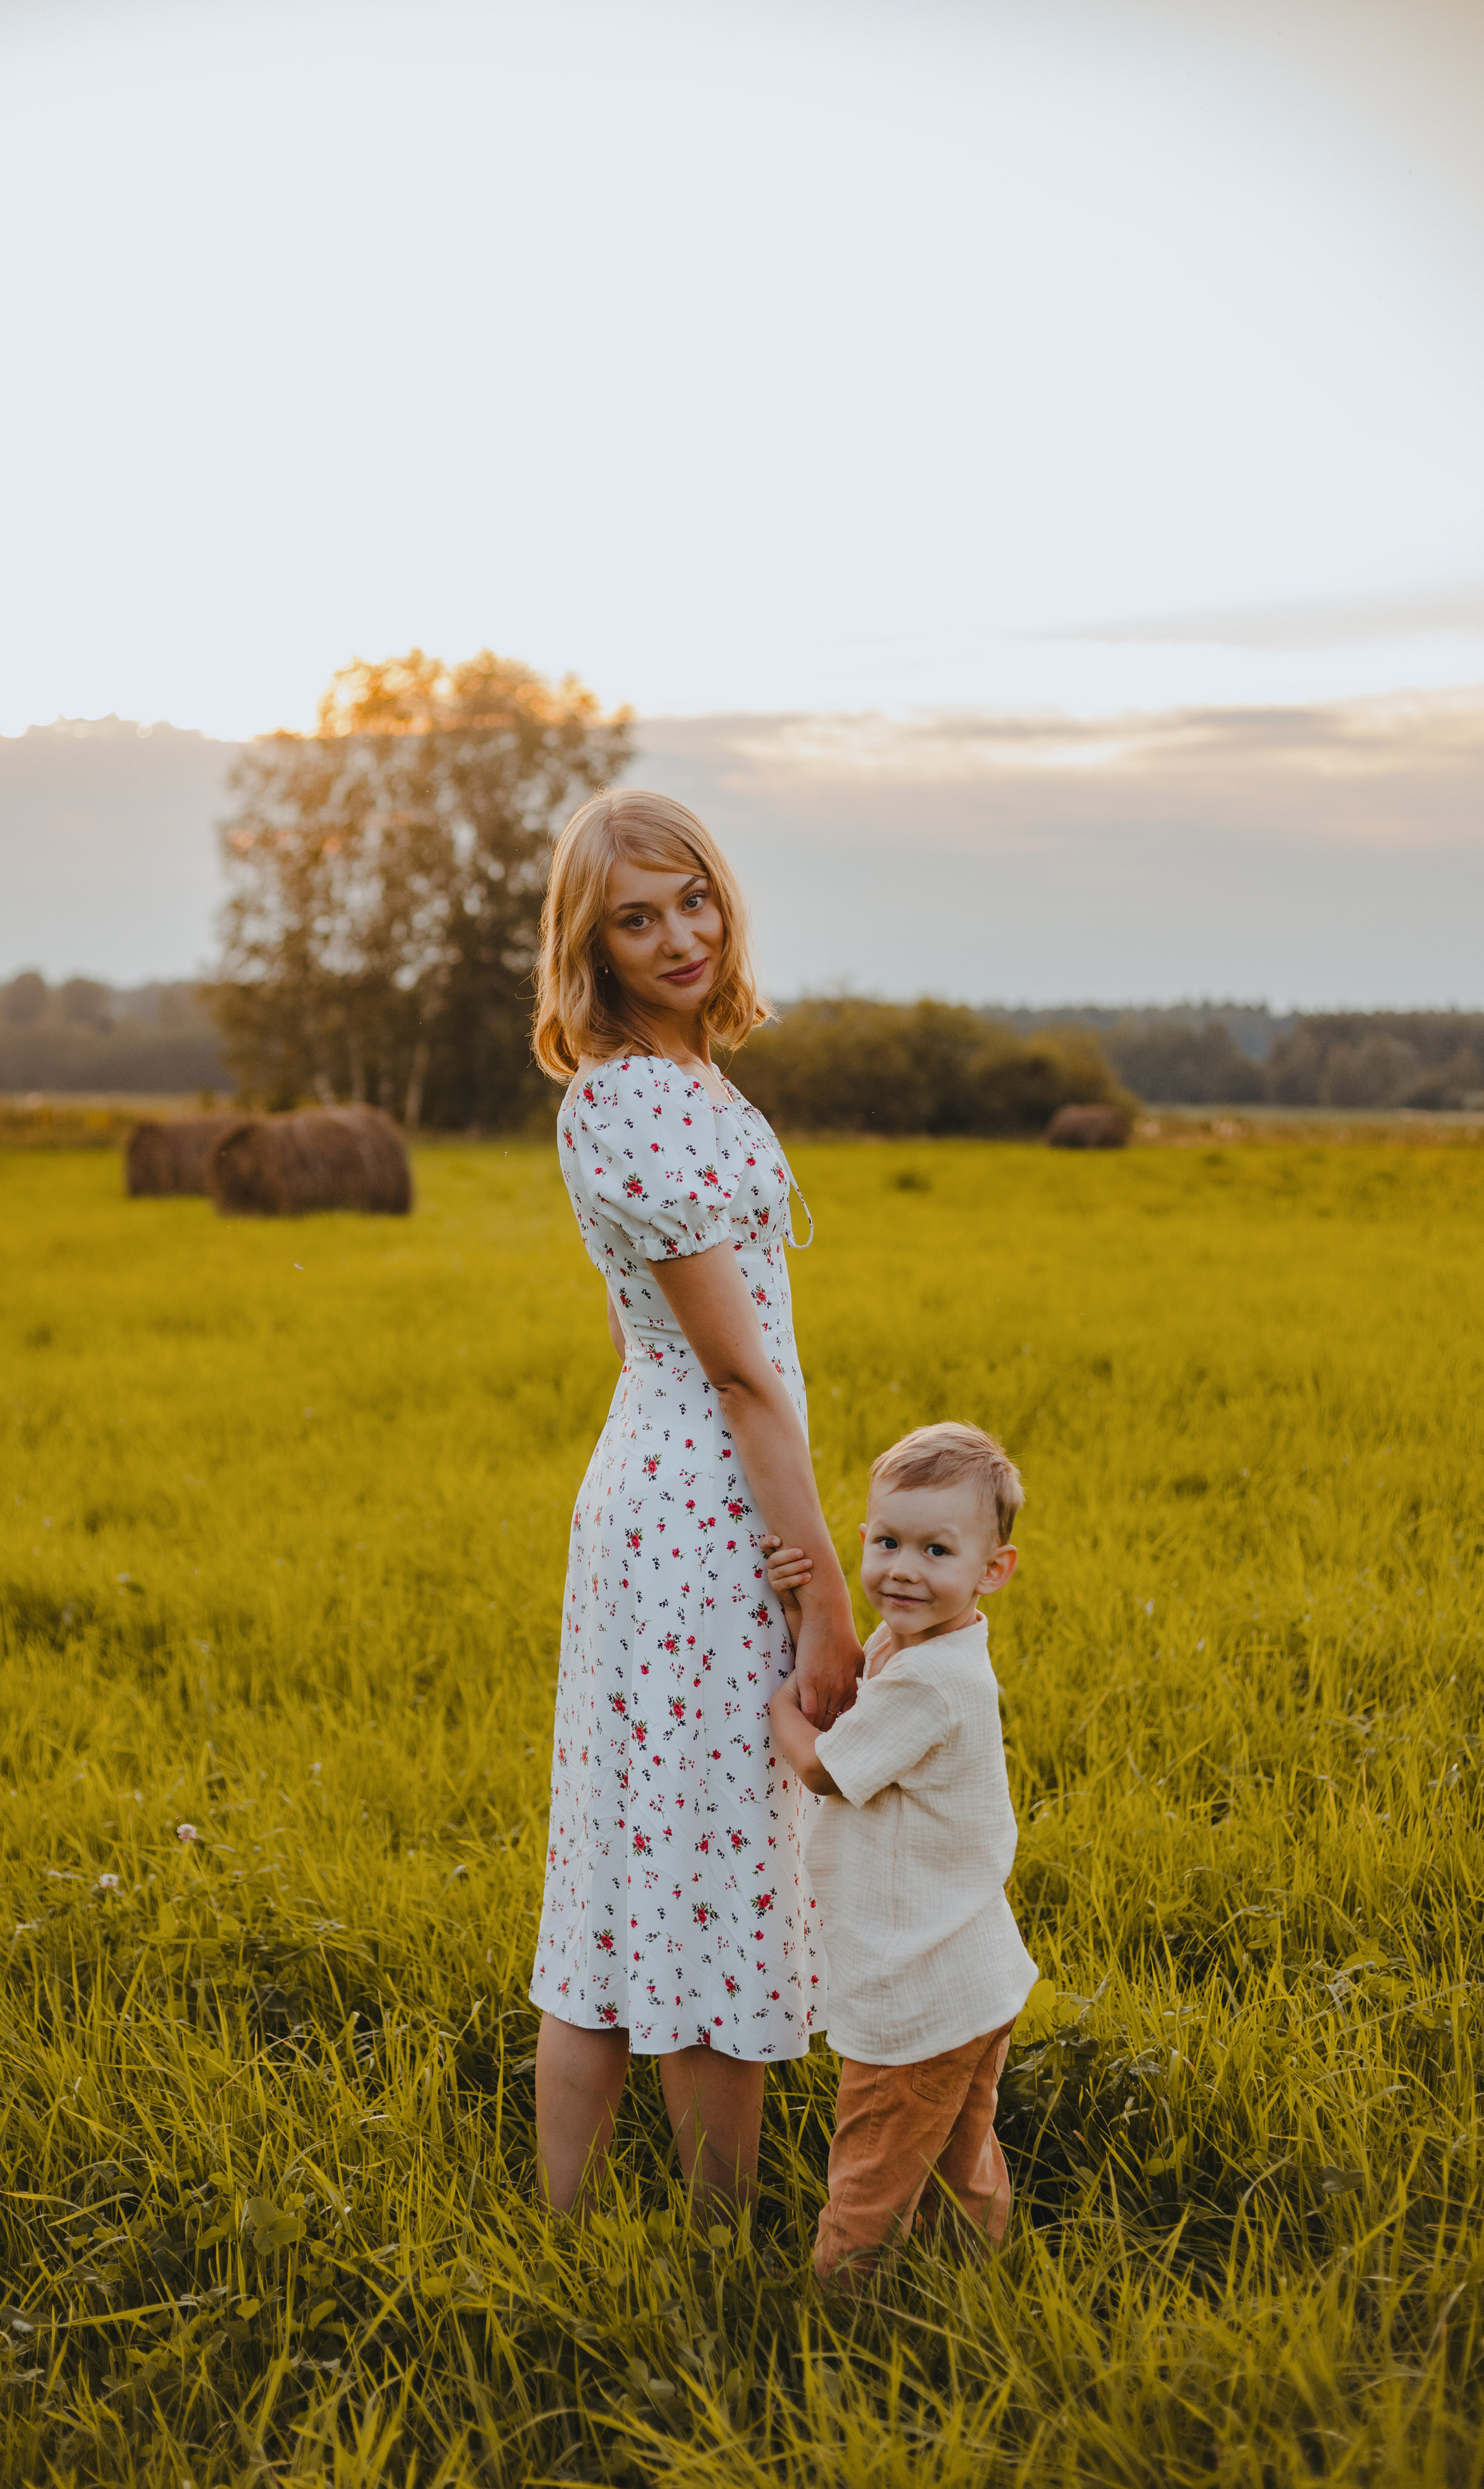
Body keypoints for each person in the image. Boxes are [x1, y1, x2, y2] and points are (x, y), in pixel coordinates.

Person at [528, 788, 864, 2217]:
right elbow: (741, 1380)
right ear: (588, 946)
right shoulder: (644, 1097)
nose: (678, 936)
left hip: (650, 1493)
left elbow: (637, 1333)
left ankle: (572, 2232)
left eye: (695, 902)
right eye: (635, 917)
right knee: (715, 1864)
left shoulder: (656, 1089)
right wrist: (824, 1597)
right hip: (701, 1515)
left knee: (623, 1855)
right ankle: (714, 2255)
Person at [763, 1422, 1039, 2287]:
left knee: (870, 2182)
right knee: (961, 2159)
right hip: (970, 1975)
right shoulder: (922, 1643)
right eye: (887, 1543)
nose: (903, 1570)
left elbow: (822, 1767)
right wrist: (804, 1608)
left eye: (936, 1550)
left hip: (912, 1996)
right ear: (863, 1539)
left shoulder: (931, 1681)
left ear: (994, 1570)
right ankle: (976, 2279)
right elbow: (855, 1671)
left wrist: (775, 1705)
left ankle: (841, 2323)